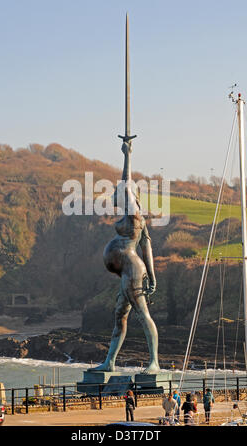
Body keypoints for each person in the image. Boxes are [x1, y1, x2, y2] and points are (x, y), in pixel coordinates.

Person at [90, 140, 160, 374]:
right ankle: (109, 362)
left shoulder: (133, 213)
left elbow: (126, 184)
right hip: (128, 271)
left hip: (131, 269)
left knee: (142, 314)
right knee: (120, 315)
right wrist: (152, 275)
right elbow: (147, 245)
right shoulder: (134, 218)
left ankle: (154, 363)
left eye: (116, 194)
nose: (112, 198)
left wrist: (127, 156)